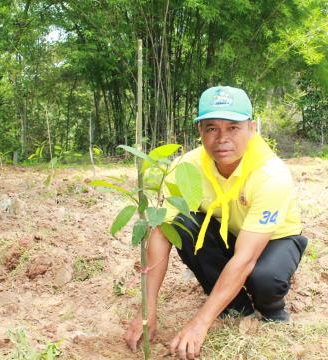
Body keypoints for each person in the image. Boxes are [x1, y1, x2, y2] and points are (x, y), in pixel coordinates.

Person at [125, 86, 307, 359]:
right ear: (200, 130)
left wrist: (200, 323)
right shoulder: (187, 168)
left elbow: (246, 258)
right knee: (181, 223)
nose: (222, 138)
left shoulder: (271, 175)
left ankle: (272, 308)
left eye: (233, 128)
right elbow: (161, 234)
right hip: (229, 232)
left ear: (251, 128)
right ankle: (235, 305)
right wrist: (147, 305)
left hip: (274, 239)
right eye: (212, 128)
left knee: (264, 279)